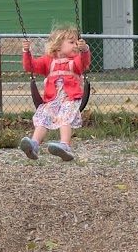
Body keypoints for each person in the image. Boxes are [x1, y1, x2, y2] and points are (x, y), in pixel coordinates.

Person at [18, 25, 91, 162]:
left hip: (70, 99)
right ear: (58, 45)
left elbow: (84, 62)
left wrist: (84, 49)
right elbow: (30, 66)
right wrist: (26, 51)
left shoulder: (75, 61)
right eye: (71, 42)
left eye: (76, 42)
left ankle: (65, 145)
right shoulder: (48, 61)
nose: (75, 45)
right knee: (43, 116)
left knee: (64, 116)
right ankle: (34, 145)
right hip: (52, 100)